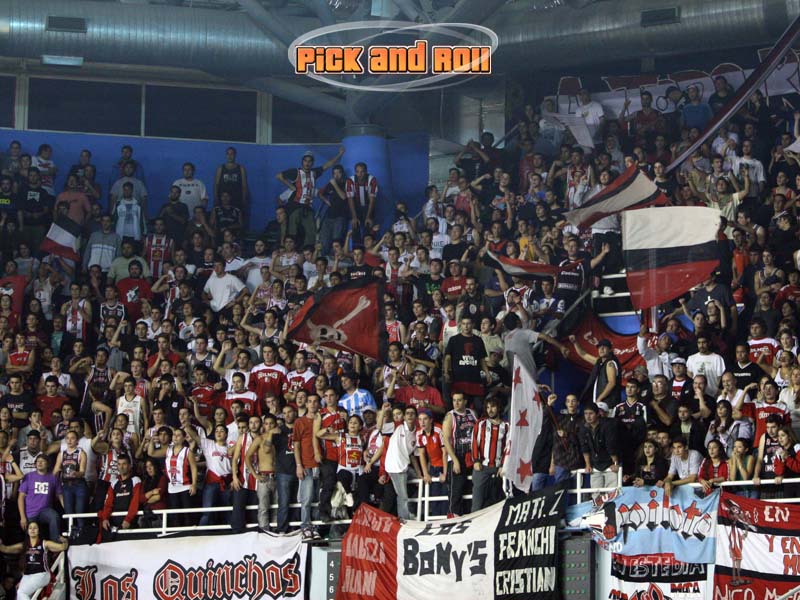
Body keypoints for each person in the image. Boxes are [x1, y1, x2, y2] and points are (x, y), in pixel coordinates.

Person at [0, 522, 68, 600]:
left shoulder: (45, 543)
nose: (32, 530)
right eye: (30, 528)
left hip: (41, 574)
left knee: (22, 592)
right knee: (19, 594)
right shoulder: (24, 545)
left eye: (35, 528)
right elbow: (5, 549)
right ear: (27, 531)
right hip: (27, 575)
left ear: (38, 531)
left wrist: (65, 541)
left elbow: (63, 547)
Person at [383, 404, 422, 520]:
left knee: (422, 483)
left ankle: (413, 511)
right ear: (404, 417)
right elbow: (382, 428)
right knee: (402, 496)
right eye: (407, 413)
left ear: (416, 417)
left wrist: (419, 474)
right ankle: (404, 520)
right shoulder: (397, 427)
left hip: (405, 466)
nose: (410, 415)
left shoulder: (417, 433)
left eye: (412, 413)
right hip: (395, 466)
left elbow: (413, 456)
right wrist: (384, 412)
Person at [442, 392, 477, 516]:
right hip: (457, 455)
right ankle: (453, 515)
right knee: (456, 490)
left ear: (465, 401)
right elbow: (446, 440)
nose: (456, 403)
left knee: (470, 487)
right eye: (454, 400)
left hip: (471, 456)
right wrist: (454, 460)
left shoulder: (472, 413)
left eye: (459, 400)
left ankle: (469, 515)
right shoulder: (450, 416)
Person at [18, 454, 63, 540]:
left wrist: (67, 509)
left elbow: (60, 495)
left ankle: (55, 544)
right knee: (30, 536)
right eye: (38, 461)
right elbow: (20, 497)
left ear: (47, 464)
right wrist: (22, 517)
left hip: (45, 510)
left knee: (54, 517)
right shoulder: (28, 476)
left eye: (42, 461)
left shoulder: (53, 477)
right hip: (30, 512)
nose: (40, 463)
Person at [579, 403, 620, 494]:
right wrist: (588, 465)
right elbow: (584, 448)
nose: (588, 416)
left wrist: (615, 463)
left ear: (597, 414)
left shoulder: (608, 426)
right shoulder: (583, 428)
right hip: (595, 465)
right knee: (596, 494)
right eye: (586, 413)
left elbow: (611, 446)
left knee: (612, 493)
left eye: (591, 413)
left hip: (610, 464)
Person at [97, 453, 141, 536]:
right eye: (119, 464)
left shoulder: (136, 480)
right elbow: (108, 503)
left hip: (130, 523)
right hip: (114, 523)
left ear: (129, 466)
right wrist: (105, 518)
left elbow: (135, 503)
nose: (121, 467)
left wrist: (128, 519)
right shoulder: (114, 482)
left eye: (124, 464)